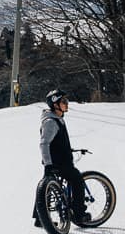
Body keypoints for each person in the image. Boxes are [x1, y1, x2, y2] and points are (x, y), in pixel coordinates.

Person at [35, 88, 90, 226]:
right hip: (58, 163)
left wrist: (67, 149)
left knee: (46, 186)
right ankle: (79, 214)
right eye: (63, 101)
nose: (67, 103)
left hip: (56, 161)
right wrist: (48, 164)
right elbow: (44, 144)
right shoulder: (51, 122)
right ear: (55, 104)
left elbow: (56, 142)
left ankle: (40, 219)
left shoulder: (57, 119)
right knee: (77, 180)